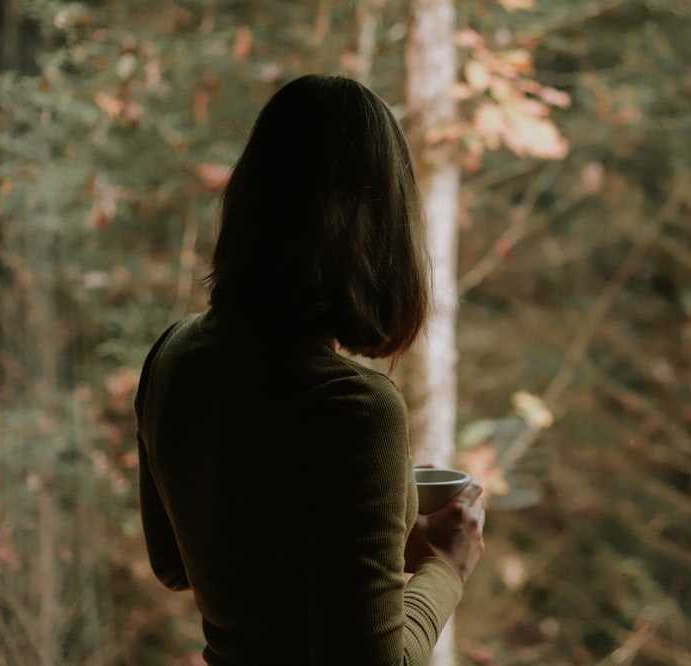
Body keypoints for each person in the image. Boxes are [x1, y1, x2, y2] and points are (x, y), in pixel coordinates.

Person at [134, 74, 485, 665]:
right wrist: (443, 567)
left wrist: (372, 511)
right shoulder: (354, 406)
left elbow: (176, 564)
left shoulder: (172, 353)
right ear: (385, 228)